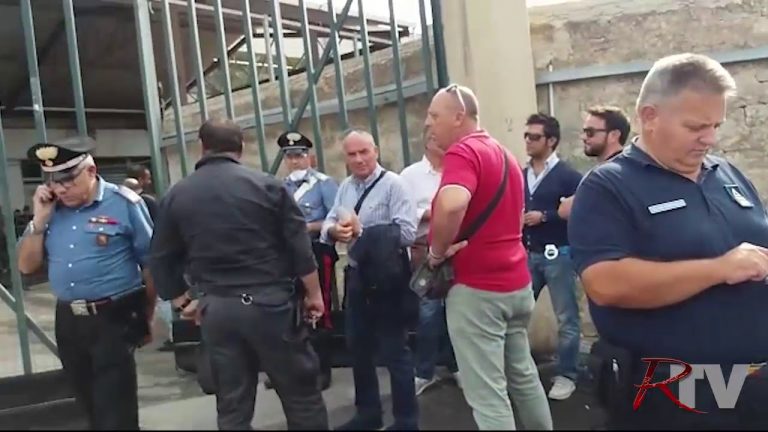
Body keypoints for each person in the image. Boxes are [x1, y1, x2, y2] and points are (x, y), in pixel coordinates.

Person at [569, 53, 768, 429]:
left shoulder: (727, 173)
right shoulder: (608, 186)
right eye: (696, 127)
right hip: (677, 391)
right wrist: (719, 269)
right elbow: (605, 283)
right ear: (650, 116)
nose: (710, 138)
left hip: (754, 384)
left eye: (715, 125)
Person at [148, 119, 329, 430]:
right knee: (301, 397)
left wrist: (182, 302)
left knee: (233, 405)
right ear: (241, 148)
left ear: (203, 147)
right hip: (272, 306)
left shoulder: (178, 194)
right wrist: (314, 295)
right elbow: (299, 248)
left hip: (218, 309)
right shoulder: (268, 186)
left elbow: (160, 257)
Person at [425, 84, 553, 430]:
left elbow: (453, 203)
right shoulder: (505, 154)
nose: (428, 123)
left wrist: (437, 251)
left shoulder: (463, 152)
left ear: (458, 117)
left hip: (478, 288)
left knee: (488, 394)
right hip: (516, 283)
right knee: (523, 376)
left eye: (434, 116)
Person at [17, 136, 155, 430]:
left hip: (114, 316)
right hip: (69, 319)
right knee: (87, 404)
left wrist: (147, 315)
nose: (61, 189)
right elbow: (26, 266)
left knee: (116, 409)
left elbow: (150, 263)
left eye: (68, 180)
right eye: (53, 181)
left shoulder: (124, 203)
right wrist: (39, 221)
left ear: (91, 171)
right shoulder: (50, 211)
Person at [322, 129, 419, 431]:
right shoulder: (345, 187)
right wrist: (334, 231)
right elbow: (329, 220)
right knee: (358, 348)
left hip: (387, 278)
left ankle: (406, 421)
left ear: (375, 151)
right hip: (357, 276)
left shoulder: (394, 185)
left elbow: (407, 232)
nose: (359, 159)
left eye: (364, 152)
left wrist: (363, 232)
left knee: (395, 351)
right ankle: (368, 415)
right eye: (352, 154)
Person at [522, 113, 584, 400]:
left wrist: (545, 216)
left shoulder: (569, 176)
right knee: (517, 314)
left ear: (551, 141)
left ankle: (567, 374)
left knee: (566, 317)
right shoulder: (521, 174)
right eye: (526, 136)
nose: (528, 141)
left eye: (534, 137)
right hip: (527, 254)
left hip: (559, 253)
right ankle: (520, 371)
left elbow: (581, 212)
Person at [276, 130, 339, 391]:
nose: (295, 161)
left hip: (316, 251)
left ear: (309, 157)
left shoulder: (324, 184)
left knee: (319, 310)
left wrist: (307, 228)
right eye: (290, 156)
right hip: (285, 256)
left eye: (299, 156)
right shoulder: (280, 187)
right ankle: (290, 369)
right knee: (287, 311)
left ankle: (321, 369)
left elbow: (335, 219)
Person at [400, 127, 460, 396]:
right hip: (425, 249)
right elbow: (402, 212)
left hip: (458, 248)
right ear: (426, 142)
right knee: (429, 311)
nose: (442, 143)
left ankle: (455, 364)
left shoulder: (458, 171)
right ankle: (424, 371)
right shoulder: (410, 176)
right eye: (435, 138)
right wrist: (431, 213)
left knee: (457, 309)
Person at [558, 105, 631, 219]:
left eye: (590, 132)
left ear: (614, 135)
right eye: (584, 131)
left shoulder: (609, 175)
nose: (583, 137)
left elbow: (565, 210)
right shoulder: (627, 166)